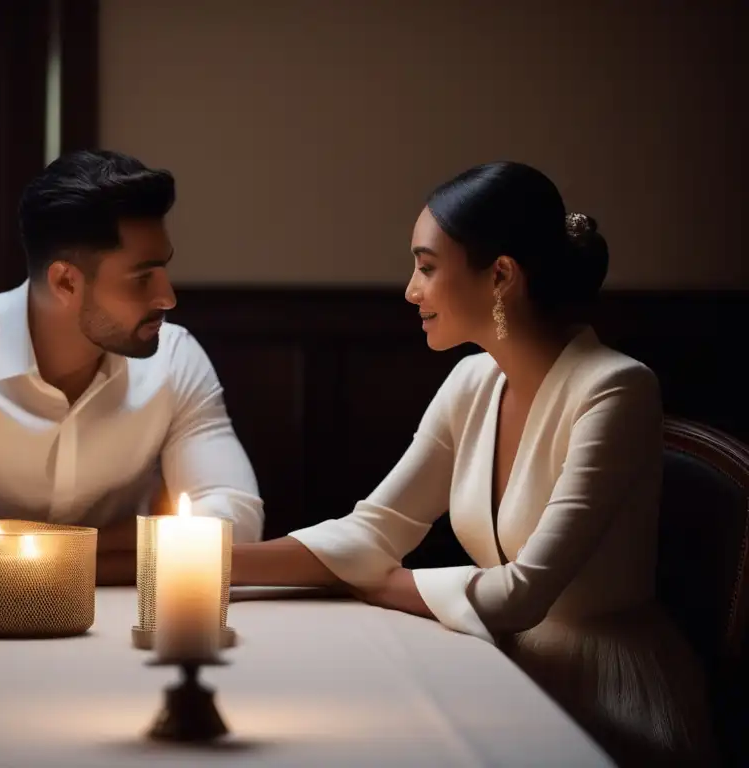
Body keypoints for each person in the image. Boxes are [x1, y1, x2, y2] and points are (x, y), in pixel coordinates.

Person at [231, 162, 715, 764]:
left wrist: (381, 582)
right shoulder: (472, 380)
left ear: (501, 276)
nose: (411, 290)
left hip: (605, 692)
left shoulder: (615, 389)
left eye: (427, 267)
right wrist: (208, 562)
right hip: (500, 661)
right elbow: (374, 529)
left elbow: (523, 594)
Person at [0, 149, 264, 586]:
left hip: (121, 628)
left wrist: (28, 550)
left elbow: (239, 525)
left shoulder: (176, 358)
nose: (168, 297)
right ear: (66, 281)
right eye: (142, 278)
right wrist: (114, 546)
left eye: (164, 270)